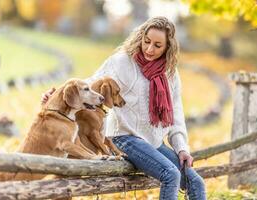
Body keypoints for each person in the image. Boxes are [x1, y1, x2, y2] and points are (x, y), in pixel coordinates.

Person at [42, 16, 206, 200]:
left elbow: (176, 115)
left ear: (168, 47)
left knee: (196, 182)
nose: (149, 49)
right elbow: (89, 84)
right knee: (171, 174)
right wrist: (56, 94)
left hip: (154, 143)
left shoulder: (170, 74)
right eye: (147, 42)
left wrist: (182, 148)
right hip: (124, 139)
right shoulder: (122, 62)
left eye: (157, 45)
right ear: (140, 37)